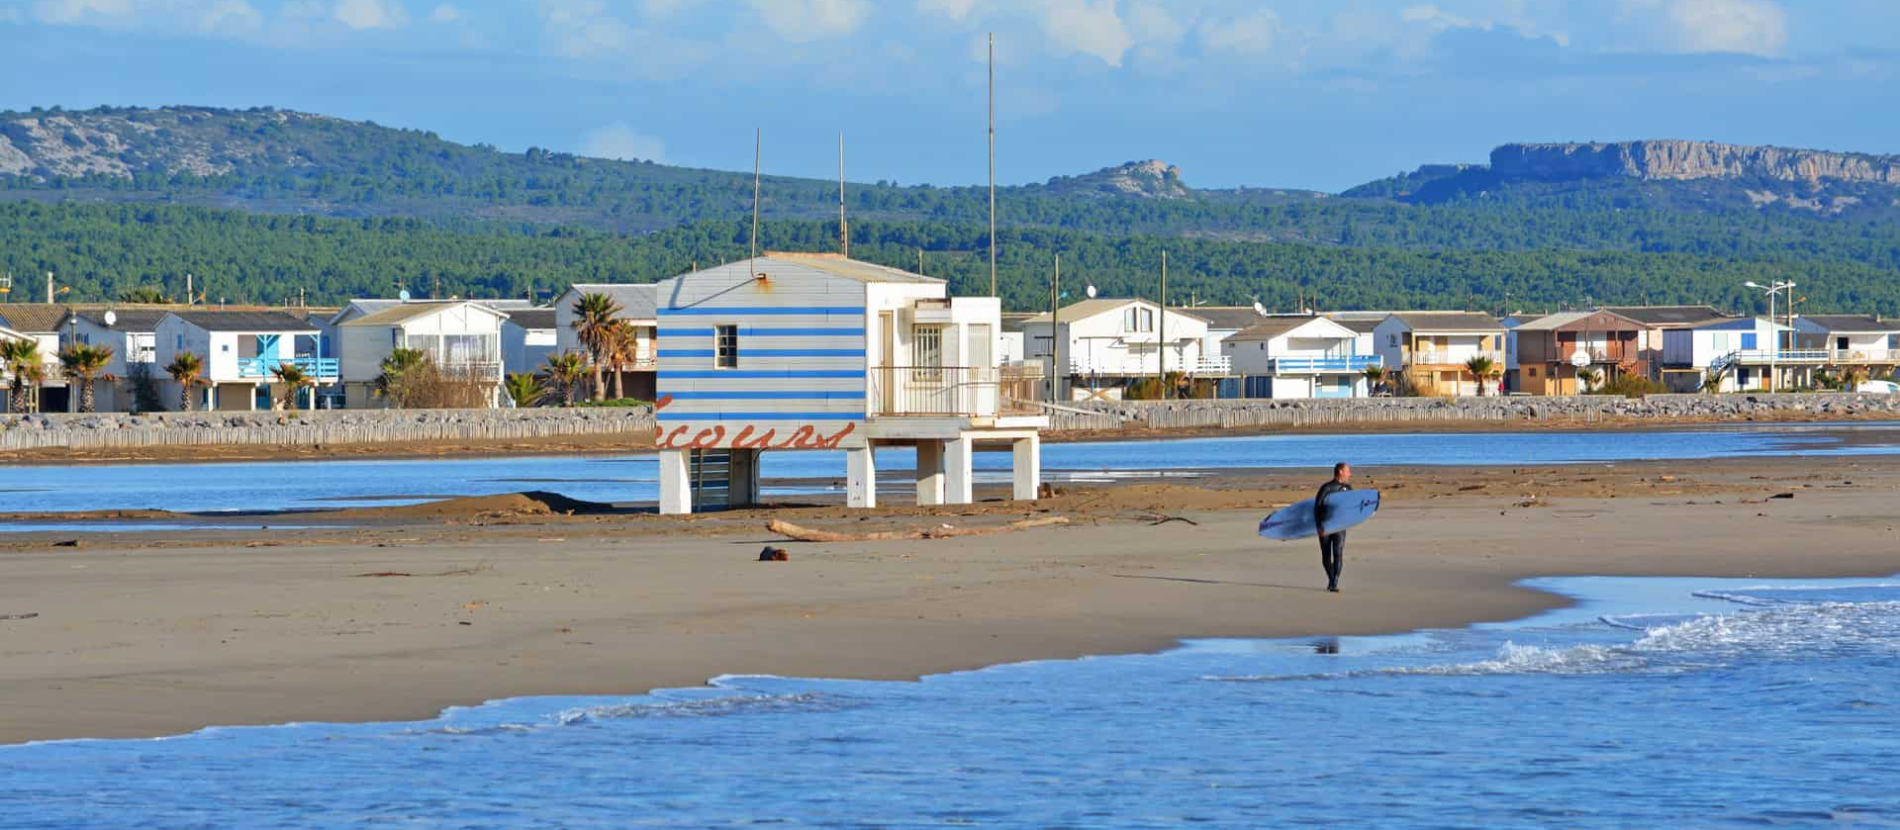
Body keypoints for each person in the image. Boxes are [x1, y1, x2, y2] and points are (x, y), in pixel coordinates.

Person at [1315, 462, 1353, 593]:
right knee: (1326, 555)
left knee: (1338, 554)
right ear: (1340, 472)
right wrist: (1319, 526)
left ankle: (1333, 582)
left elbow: (1351, 507)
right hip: (1325, 525)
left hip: (1340, 525)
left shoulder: (1348, 488)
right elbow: (1317, 508)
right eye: (1348, 471)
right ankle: (1331, 580)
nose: (1350, 473)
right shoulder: (1326, 488)